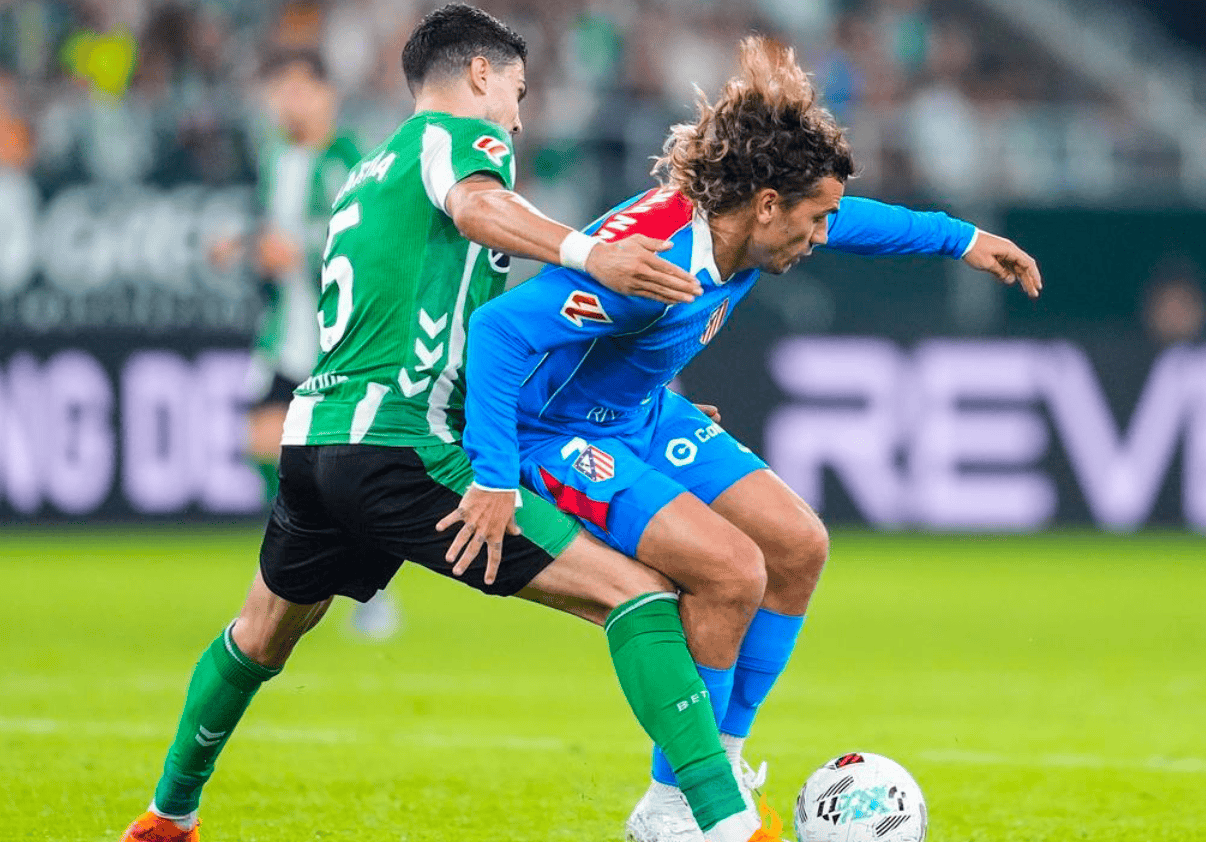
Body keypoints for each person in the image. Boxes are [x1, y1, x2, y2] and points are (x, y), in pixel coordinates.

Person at [121, 7, 784, 842]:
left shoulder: (368, 170)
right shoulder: (458, 138)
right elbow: (475, 207)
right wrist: (588, 251)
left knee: (259, 636)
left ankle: (169, 812)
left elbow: (441, 318)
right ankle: (722, 824)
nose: (518, 116)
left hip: (319, 437)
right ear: (479, 75)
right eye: (517, 91)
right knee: (637, 594)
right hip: (405, 446)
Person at [458, 35, 1043, 842]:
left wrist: (961, 240)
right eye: (815, 219)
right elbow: (498, 332)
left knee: (798, 546)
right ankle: (674, 810)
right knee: (732, 570)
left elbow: (857, 220)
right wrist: (493, 475)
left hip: (641, 414)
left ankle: (721, 761)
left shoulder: (745, 226)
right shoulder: (657, 263)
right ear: (767, 204)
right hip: (552, 433)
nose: (823, 234)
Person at [232, 47, 402, 640]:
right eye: (279, 91)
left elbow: (367, 242)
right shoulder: (274, 157)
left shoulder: (353, 160)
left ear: (327, 96)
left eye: (299, 90)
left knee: (342, 469)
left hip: (339, 340)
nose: (288, 103)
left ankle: (370, 586)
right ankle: (295, 570)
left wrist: (297, 251)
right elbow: (271, 233)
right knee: (264, 442)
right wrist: (245, 247)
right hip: (285, 333)